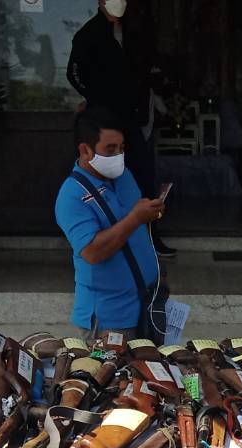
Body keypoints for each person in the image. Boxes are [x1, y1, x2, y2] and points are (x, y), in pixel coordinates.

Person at [66, 0, 175, 258]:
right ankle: (102, 239)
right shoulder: (89, 34)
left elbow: (141, 70)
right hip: (103, 120)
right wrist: (95, 99)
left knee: (143, 175)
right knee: (103, 178)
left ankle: (150, 237)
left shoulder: (132, 32)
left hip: (130, 117)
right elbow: (74, 73)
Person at [54, 108, 165, 342]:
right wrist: (135, 218)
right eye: (110, 149)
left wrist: (149, 212)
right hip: (110, 320)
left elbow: (132, 223)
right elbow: (92, 252)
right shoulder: (71, 196)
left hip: (148, 305)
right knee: (114, 367)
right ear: (85, 150)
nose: (118, 156)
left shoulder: (124, 176)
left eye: (121, 148)